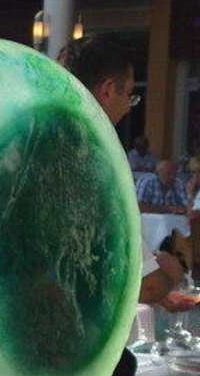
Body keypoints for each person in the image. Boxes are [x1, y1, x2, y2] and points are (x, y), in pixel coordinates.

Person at [62, 35, 189, 313]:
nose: (130, 105)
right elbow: (147, 285)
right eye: (130, 94)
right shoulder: (95, 159)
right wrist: (173, 272)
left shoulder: (43, 142)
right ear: (108, 90)